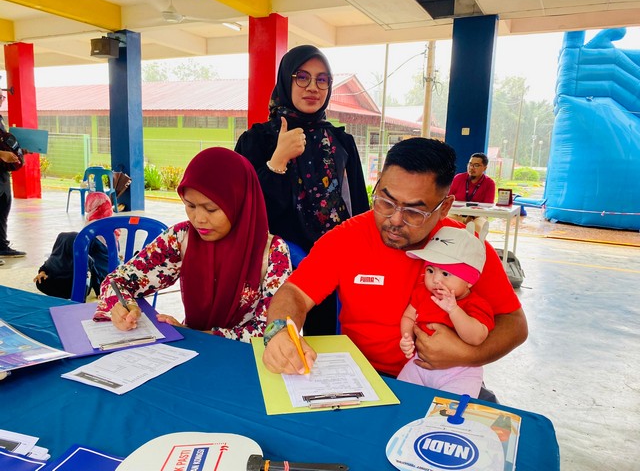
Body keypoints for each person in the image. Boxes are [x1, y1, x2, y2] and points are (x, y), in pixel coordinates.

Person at [261, 137, 527, 384]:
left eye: (414, 211)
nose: (395, 220)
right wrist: (280, 331)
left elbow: (515, 323)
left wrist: (467, 355)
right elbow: (295, 292)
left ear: (444, 207)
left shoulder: (467, 249)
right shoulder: (347, 238)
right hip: (363, 375)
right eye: (386, 202)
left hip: (445, 378)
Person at [235, 44, 369, 335]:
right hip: (273, 268)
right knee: (276, 341)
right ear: (286, 79)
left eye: (322, 79)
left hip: (331, 265)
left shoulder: (341, 142)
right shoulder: (256, 140)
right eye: (302, 77)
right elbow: (244, 212)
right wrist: (277, 161)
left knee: (324, 343)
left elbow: (359, 207)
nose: (312, 88)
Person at [95, 147, 292, 343]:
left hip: (248, 356)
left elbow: (271, 331)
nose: (199, 219)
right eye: (190, 205)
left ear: (240, 204)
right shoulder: (182, 238)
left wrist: (195, 335)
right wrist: (124, 307)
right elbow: (116, 281)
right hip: (193, 348)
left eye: (211, 209)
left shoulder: (272, 252)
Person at [398, 225, 493, 398]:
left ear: (470, 280)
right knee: (401, 396)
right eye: (430, 270)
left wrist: (454, 310)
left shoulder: (475, 304)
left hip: (460, 371)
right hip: (420, 363)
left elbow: (476, 337)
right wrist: (407, 337)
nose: (435, 280)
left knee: (451, 408)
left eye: (446, 274)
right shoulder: (423, 293)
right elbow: (409, 316)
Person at [33, 192, 114, 299]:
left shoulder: (92, 226)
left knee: (46, 278)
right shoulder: (110, 221)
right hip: (106, 270)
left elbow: (47, 265)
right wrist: (42, 272)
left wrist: (98, 289)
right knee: (79, 273)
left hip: (100, 273)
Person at [0, 87, 26, 260]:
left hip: (2, 174)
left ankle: (2, 246)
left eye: (2, 97)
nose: (1, 100)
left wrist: (19, 151)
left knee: (3, 209)